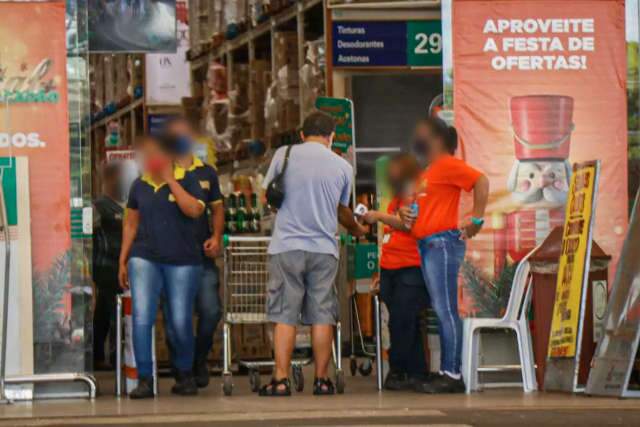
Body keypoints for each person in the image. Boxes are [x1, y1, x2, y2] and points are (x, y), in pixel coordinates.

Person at [259, 111, 366, 396]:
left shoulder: (284, 154)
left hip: (287, 247)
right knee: (322, 314)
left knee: (285, 314)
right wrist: (356, 229)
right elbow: (342, 211)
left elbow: (266, 198)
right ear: (331, 137)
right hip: (323, 249)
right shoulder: (342, 166)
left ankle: (280, 380)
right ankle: (322, 379)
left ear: (302, 135)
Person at [401, 117, 490, 394]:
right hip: (429, 244)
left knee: (446, 309)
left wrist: (477, 219)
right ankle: (446, 370)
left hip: (441, 244)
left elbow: (481, 180)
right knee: (442, 309)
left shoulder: (448, 164)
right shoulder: (431, 170)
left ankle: (452, 373)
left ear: (437, 140)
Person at [118, 136, 206, 399]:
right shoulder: (139, 185)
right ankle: (145, 378)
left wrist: (170, 180)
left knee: (179, 320)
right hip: (144, 257)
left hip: (183, 261)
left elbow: (195, 211)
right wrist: (123, 260)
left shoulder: (189, 178)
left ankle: (184, 374)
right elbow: (131, 224)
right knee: (142, 318)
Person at [161, 117, 225, 388]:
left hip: (201, 255)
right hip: (170, 257)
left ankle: (199, 358)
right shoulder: (160, 171)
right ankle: (182, 369)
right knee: (176, 316)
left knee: (211, 311)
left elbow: (218, 209)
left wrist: (216, 237)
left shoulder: (207, 172)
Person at [362, 153, 430, 390]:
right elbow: (393, 233)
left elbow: (407, 226)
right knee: (403, 321)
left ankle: (401, 370)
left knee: (403, 321)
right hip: (393, 267)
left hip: (409, 268)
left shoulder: (415, 194)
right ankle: (416, 372)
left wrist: (377, 216)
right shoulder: (399, 196)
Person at [93, 162, 125, 370]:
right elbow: (92, 230)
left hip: (118, 265)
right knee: (112, 310)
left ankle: (99, 354)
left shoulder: (122, 204)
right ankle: (113, 356)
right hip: (106, 265)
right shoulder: (100, 205)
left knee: (105, 310)